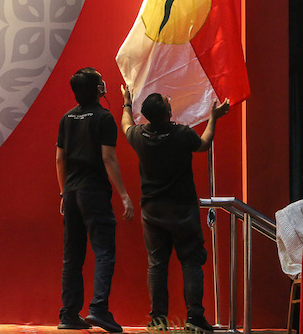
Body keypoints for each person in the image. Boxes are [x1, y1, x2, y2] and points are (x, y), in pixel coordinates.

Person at [120, 85, 229, 334]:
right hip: (182, 210)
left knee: (157, 264)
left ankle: (158, 320)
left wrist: (126, 102)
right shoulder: (182, 134)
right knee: (191, 262)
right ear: (168, 112)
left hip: (152, 210)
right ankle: (195, 319)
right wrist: (213, 117)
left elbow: (125, 123)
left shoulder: (139, 135)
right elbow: (204, 145)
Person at [56, 68, 134, 332]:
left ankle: (68, 314)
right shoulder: (104, 118)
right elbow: (108, 158)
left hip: (72, 191)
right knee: (104, 252)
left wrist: (63, 193)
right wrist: (124, 195)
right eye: (101, 82)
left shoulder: (66, 118)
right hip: (94, 192)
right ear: (97, 89)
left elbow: (59, 159)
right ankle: (99, 309)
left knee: (72, 256)